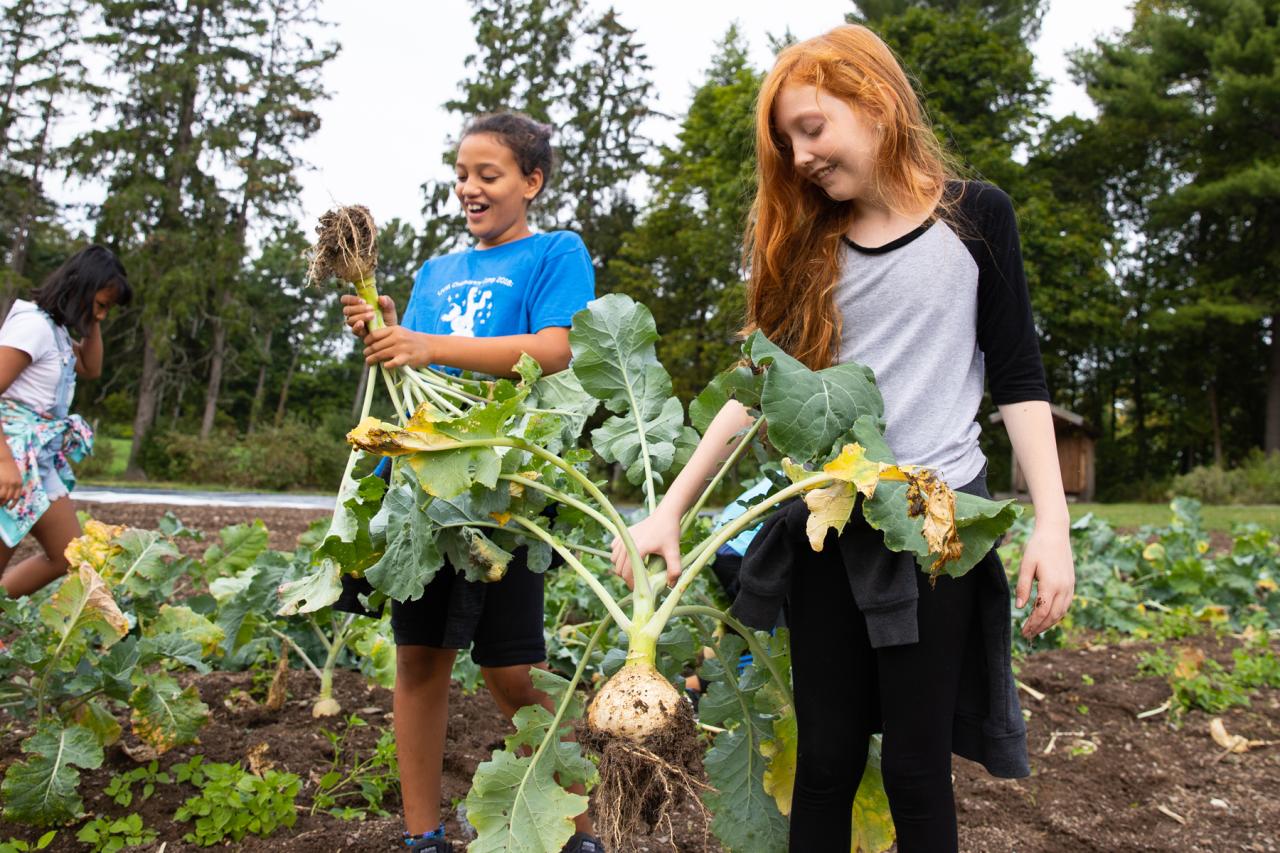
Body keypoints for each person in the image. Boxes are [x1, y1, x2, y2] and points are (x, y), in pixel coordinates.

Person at [610, 25, 1075, 853]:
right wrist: (670, 510)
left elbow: (1020, 377)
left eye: (811, 127)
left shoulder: (977, 218)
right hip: (829, 525)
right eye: (787, 141)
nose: (798, 156)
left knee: (917, 768)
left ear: (875, 102)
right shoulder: (809, 245)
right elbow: (757, 390)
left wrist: (1051, 522)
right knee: (824, 758)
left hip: (940, 528)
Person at [341, 112, 603, 853]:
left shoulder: (556, 252)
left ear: (531, 181)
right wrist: (390, 330)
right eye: (461, 174)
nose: (469, 188)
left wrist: (428, 344)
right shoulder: (434, 273)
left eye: (487, 175)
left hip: (506, 487)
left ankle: (572, 830)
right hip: (426, 489)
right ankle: (422, 833)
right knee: (419, 659)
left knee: (515, 670)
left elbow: (555, 348)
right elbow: (418, 371)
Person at [0, 245, 131, 597]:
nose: (103, 315)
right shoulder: (33, 326)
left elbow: (91, 367)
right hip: (10, 453)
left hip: (37, 459)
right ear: (81, 290)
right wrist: (4, 463)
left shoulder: (55, 331)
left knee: (66, 553)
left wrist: (90, 321)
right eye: (101, 304)